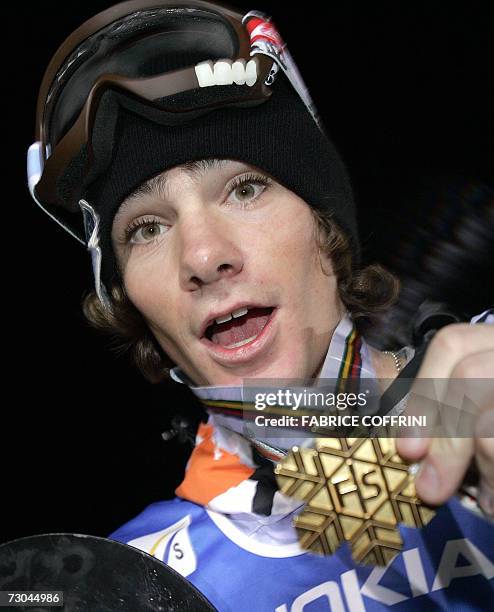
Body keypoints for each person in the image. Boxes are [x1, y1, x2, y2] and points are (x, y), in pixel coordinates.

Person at [27, 1, 494, 609]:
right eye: (146, 228)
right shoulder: (129, 585)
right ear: (133, 306)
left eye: (244, 189)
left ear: (325, 226)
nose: (202, 255)